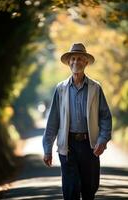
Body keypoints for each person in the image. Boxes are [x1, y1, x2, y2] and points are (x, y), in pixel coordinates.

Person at [42, 43, 112, 200]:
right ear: (68, 62)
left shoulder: (95, 88)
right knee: (71, 189)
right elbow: (52, 120)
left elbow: (105, 117)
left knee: (89, 189)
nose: (75, 62)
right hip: (68, 147)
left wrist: (102, 140)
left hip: (90, 146)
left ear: (86, 62)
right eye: (72, 59)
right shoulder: (61, 89)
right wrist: (47, 148)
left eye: (80, 59)